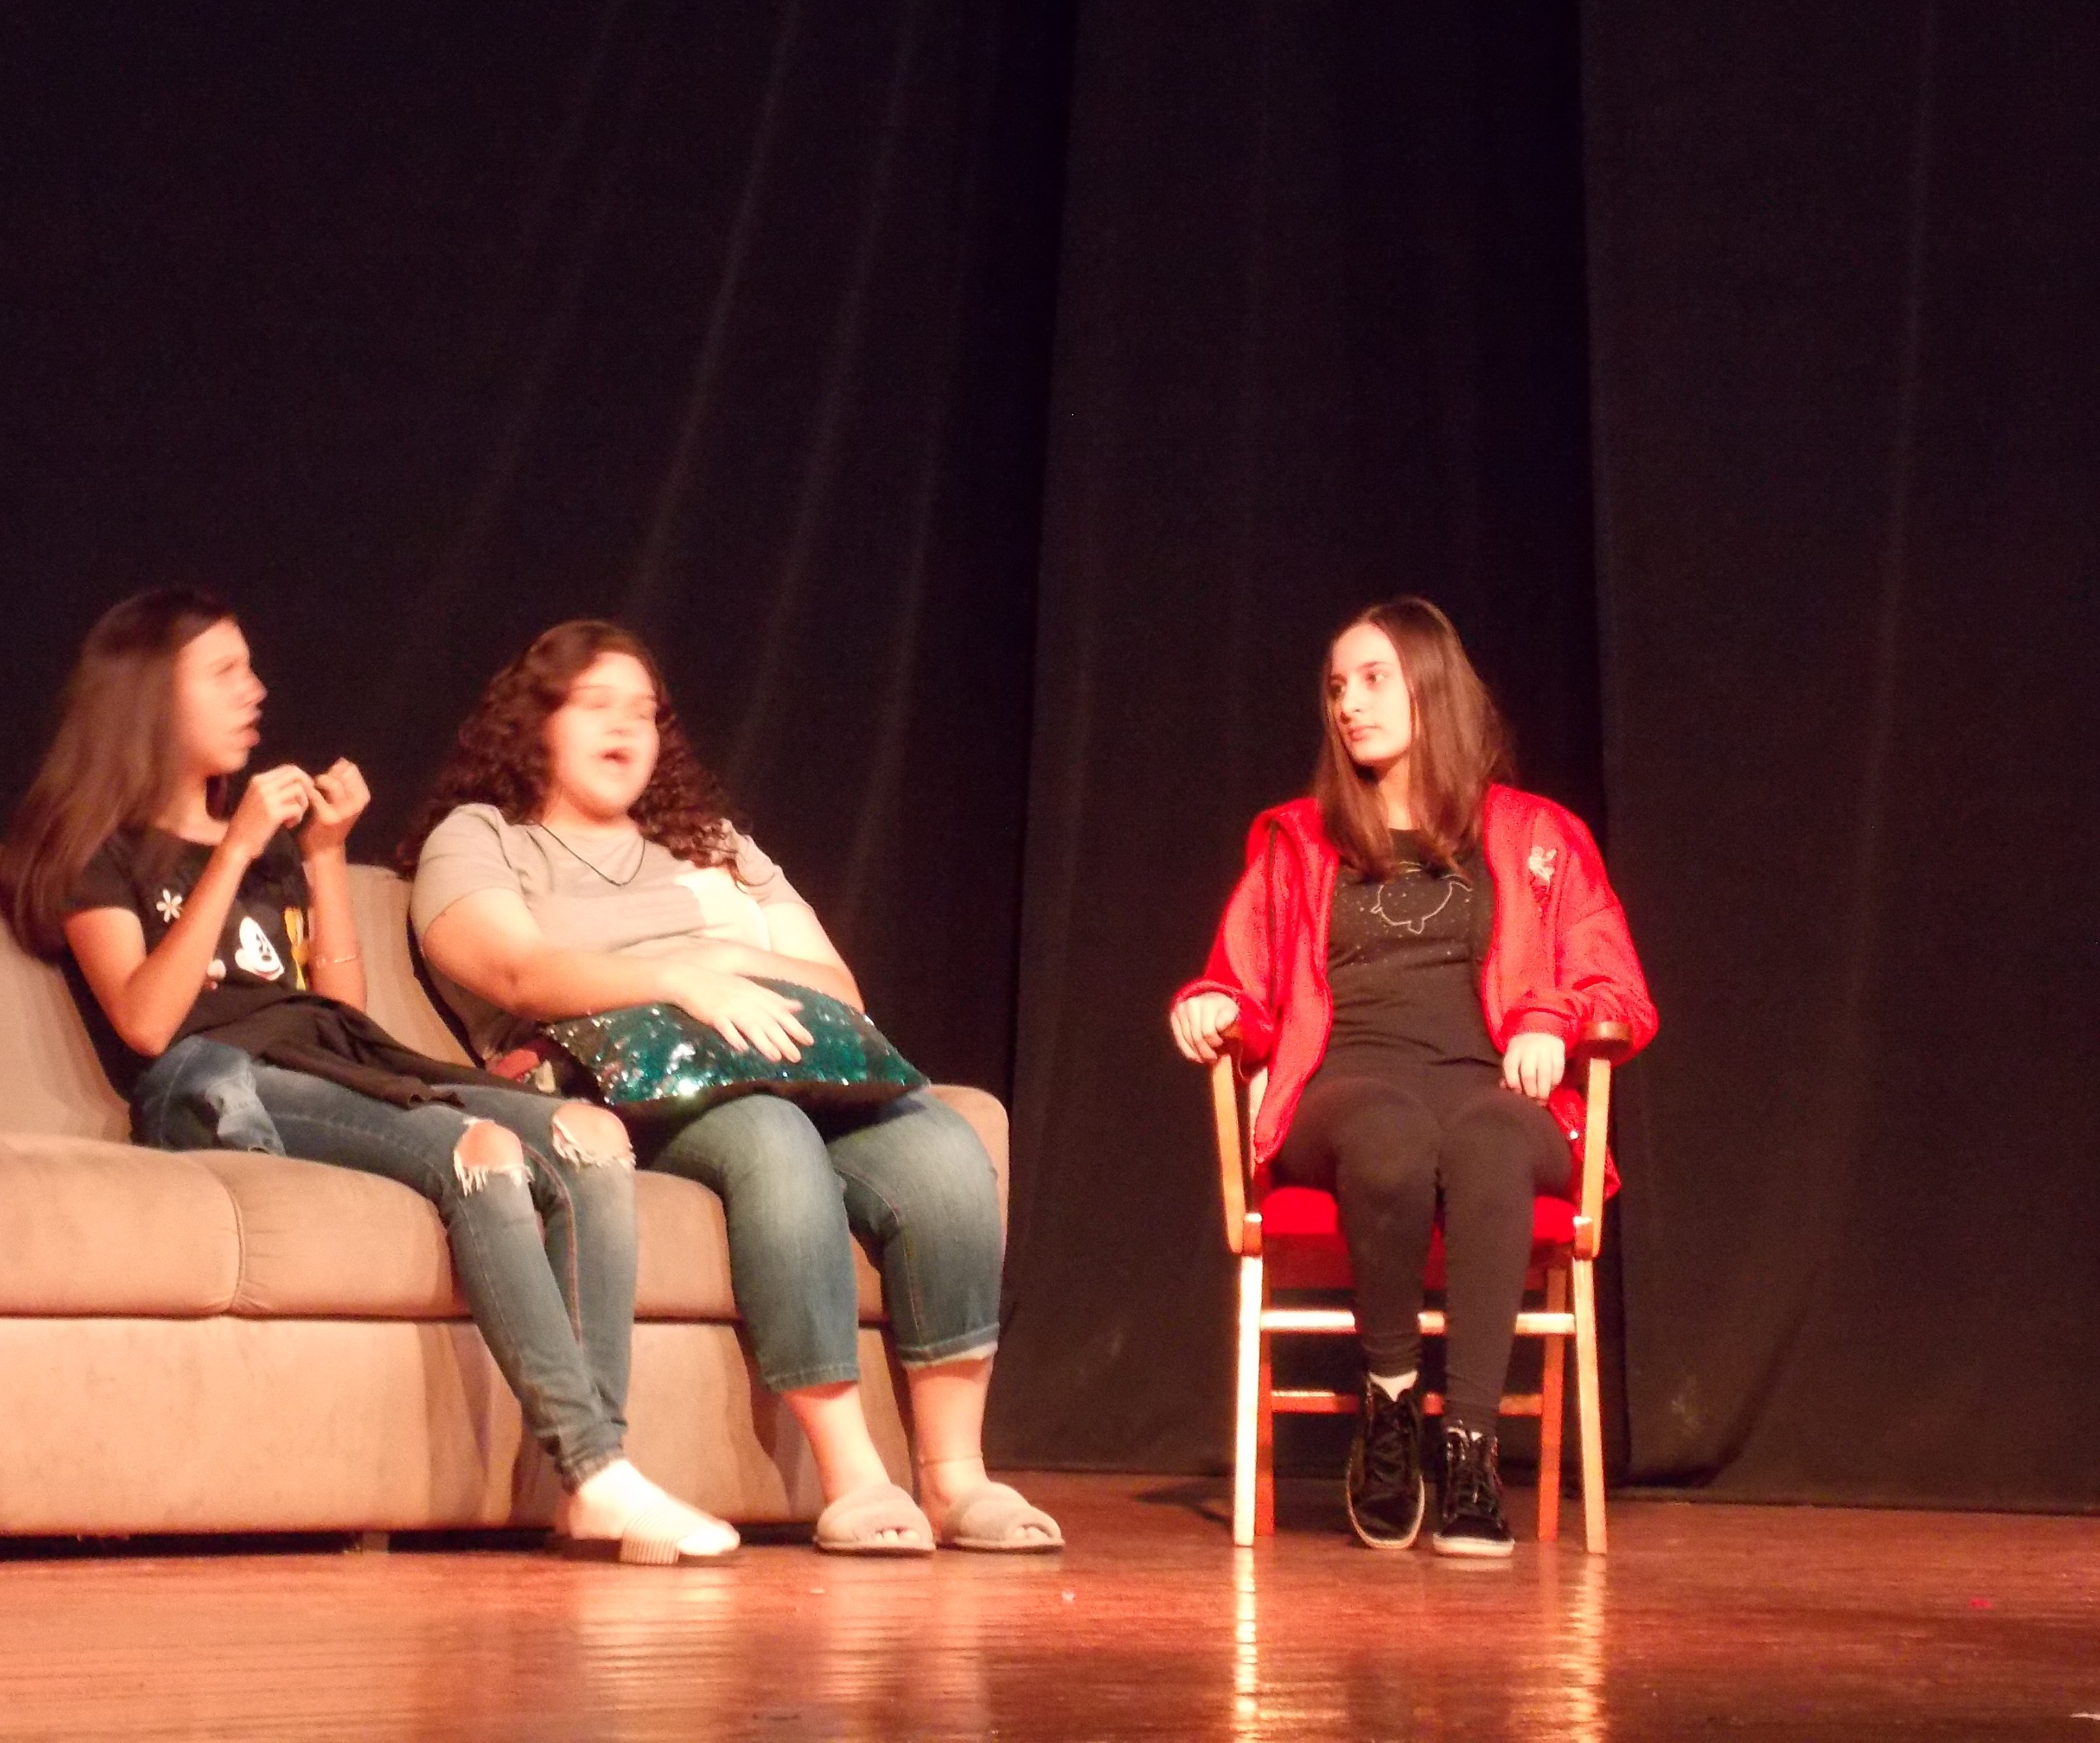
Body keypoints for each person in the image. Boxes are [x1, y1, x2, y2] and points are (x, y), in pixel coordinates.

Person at [0, 588, 739, 1565]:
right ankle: (597, 1470)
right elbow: (146, 1020)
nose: (255, 691)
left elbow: (340, 1010)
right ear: (150, 696)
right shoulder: (103, 848)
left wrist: (325, 857)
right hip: (212, 1079)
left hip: (322, 1058)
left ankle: (598, 1479)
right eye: (225, 673)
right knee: (479, 1153)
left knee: (589, 1138)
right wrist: (236, 851)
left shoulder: (271, 848)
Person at [404, 619, 1062, 1556]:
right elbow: (515, 971)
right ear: (536, 723)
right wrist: (675, 981)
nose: (625, 726)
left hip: (778, 1058)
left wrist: (722, 961)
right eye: (596, 705)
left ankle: (956, 1478)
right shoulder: (485, 838)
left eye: (644, 711)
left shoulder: (711, 842)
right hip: (623, 1083)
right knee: (770, 1140)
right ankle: (852, 1477)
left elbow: (837, 989)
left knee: (943, 1150)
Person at [1167, 597, 1656, 1557]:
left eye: (1373, 680)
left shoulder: (1537, 836)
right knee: (1390, 1131)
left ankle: (1472, 1451)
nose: (1349, 704)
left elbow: (1619, 992)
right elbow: (1244, 985)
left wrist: (1551, 1016)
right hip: (1344, 1095)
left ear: (1432, 689)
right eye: (1337, 688)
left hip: (1492, 1093)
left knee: (1484, 1140)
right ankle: (1389, 1408)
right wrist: (1211, 1005)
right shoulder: (1301, 840)